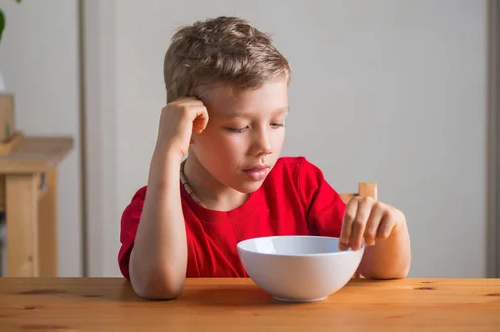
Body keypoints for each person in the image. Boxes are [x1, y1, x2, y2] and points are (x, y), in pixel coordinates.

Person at [118, 16, 411, 300]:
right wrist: (167, 152)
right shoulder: (153, 207)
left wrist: (393, 225)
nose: (264, 146)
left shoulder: (300, 184)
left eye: (276, 123)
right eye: (239, 127)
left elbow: (379, 271)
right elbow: (158, 286)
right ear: (189, 128)